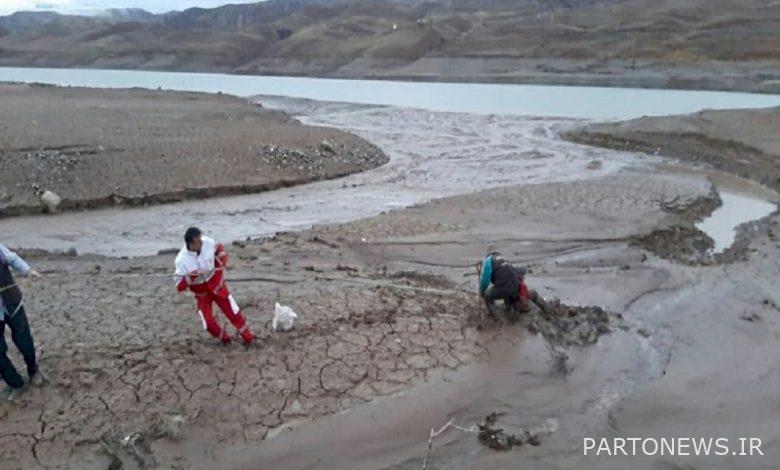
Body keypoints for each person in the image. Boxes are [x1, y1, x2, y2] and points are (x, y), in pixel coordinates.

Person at [174, 227, 256, 345]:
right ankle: (225, 339)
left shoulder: (208, 242)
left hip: (217, 285)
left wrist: (224, 262)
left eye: (201, 240)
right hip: (202, 294)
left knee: (234, 313)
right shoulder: (181, 261)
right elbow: (179, 286)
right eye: (198, 242)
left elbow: (219, 251)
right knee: (208, 324)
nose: (201, 243)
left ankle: (248, 338)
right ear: (190, 244)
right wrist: (193, 275)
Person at [0, 243, 44, 402]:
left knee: (24, 340)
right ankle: (15, 383)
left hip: (12, 302)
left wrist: (28, 271)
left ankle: (33, 371)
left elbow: (12, 258)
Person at [478, 251, 548, 315]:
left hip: (503, 288)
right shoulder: (505, 261)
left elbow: (485, 281)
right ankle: (548, 311)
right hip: (515, 287)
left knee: (487, 296)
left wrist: (482, 292)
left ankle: (497, 319)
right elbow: (517, 272)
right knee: (513, 293)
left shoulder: (488, 260)